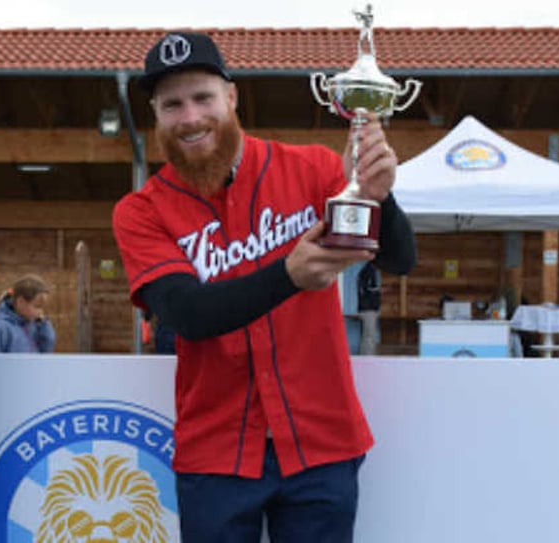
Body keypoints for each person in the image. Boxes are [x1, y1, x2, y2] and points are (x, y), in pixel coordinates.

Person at [112, 32, 416, 542]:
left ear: (231, 97)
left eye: (202, 97)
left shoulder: (313, 168)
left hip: (321, 439)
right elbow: (187, 313)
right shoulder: (142, 210)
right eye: (172, 105)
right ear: (156, 114)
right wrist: (288, 276)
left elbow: (399, 259)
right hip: (218, 449)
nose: (190, 117)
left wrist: (379, 197)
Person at [0, 273, 55, 353]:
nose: (41, 312)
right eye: (37, 306)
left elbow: (45, 355)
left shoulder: (35, 325)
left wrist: (45, 328)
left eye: (42, 307)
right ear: (21, 302)